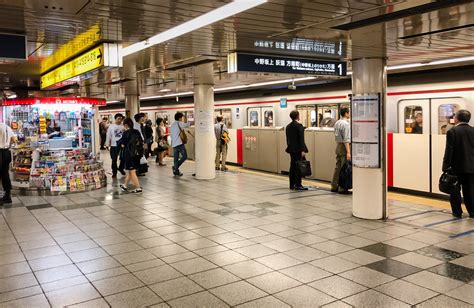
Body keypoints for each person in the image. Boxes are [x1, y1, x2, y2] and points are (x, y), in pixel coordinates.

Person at [442, 109, 474, 218]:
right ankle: (472, 212)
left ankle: (457, 212)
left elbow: (449, 151)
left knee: (455, 189)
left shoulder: (452, 131)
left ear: (457, 118)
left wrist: (445, 167)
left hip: (456, 167)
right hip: (471, 167)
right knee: (470, 189)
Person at [117, 118, 143, 193]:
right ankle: (125, 185)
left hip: (129, 155)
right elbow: (141, 141)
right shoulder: (137, 131)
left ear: (125, 125)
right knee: (130, 171)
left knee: (132, 171)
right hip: (137, 154)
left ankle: (138, 188)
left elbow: (122, 145)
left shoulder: (126, 133)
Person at [285, 110, 308, 191]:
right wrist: (303, 150)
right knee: (298, 167)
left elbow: (287, 139)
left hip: (291, 149)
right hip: (298, 150)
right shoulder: (299, 126)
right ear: (297, 116)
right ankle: (298, 184)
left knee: (292, 166)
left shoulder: (288, 126)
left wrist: (290, 147)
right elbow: (301, 140)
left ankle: (291, 185)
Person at [331, 107, 352, 194]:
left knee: (338, 167)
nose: (350, 114)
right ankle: (342, 188)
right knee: (344, 168)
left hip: (338, 146)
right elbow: (346, 139)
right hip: (344, 147)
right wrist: (348, 152)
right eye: (349, 112)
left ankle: (334, 185)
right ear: (346, 113)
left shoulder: (337, 122)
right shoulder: (346, 124)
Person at [0, 122, 16, 205]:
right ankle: (7, 196)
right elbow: (14, 140)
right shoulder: (7, 127)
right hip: (6, 152)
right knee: (5, 174)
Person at [105, 113, 125, 178]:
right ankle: (114, 172)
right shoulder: (111, 126)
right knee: (114, 160)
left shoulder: (123, 126)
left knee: (123, 158)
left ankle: (121, 168)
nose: (120, 120)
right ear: (115, 119)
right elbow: (108, 135)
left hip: (122, 145)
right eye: (118, 119)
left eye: (121, 119)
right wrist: (107, 144)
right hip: (114, 145)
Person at [170, 112, 190, 176]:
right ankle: (175, 167)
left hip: (174, 144)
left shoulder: (172, 125)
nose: (182, 119)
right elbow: (188, 124)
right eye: (182, 117)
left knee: (175, 158)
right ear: (180, 118)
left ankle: (176, 171)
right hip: (179, 144)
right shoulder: (179, 123)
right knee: (184, 156)